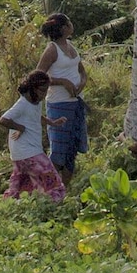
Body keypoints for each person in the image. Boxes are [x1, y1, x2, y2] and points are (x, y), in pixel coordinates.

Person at [0, 70, 66, 203]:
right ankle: (56, 207)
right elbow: (3, 120)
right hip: (29, 152)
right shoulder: (22, 104)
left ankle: (12, 209)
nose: (44, 94)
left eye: (46, 91)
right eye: (42, 90)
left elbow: (35, 116)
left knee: (22, 186)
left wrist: (51, 122)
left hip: (20, 154)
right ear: (33, 88)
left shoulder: (36, 101)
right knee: (53, 183)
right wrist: (20, 128)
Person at [36, 13, 88, 181]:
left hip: (76, 102)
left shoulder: (71, 46)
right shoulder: (52, 49)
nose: (72, 25)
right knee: (59, 150)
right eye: (69, 22)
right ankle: (46, 188)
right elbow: (37, 77)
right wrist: (63, 82)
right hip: (59, 104)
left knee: (72, 147)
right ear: (64, 27)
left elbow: (81, 70)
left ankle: (65, 187)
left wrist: (83, 82)